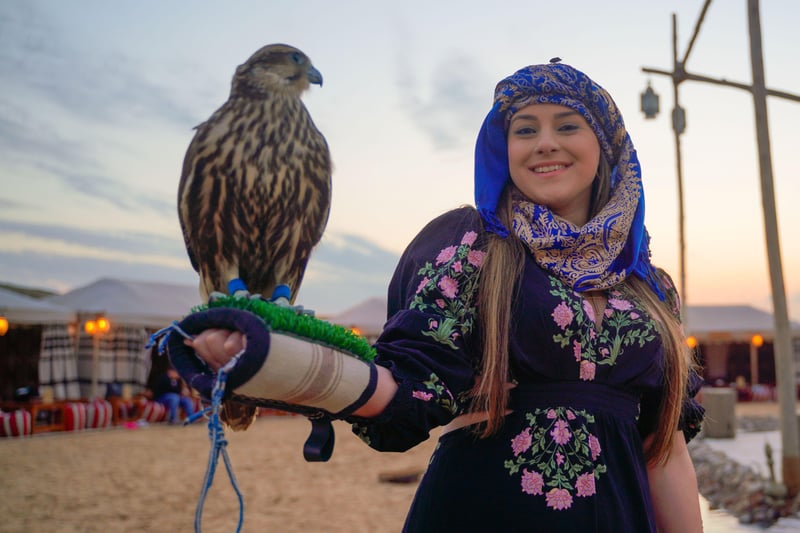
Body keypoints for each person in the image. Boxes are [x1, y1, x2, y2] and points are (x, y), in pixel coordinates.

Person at [180, 60, 705, 532]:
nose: (544, 143)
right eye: (524, 130)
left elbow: (665, 453)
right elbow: (406, 390)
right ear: (505, 150)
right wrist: (295, 366)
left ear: (606, 145)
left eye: (567, 125)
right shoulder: (471, 246)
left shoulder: (649, 290)